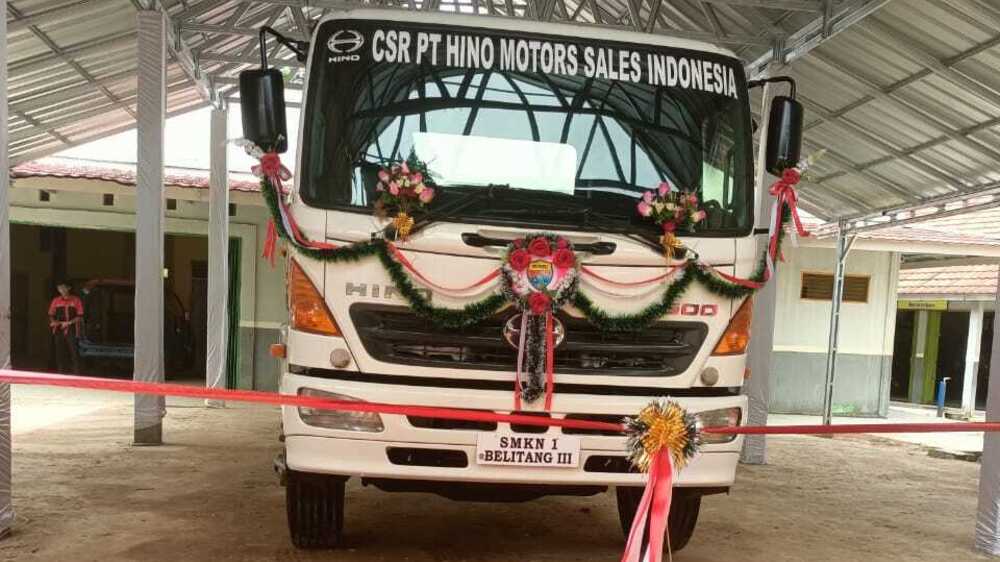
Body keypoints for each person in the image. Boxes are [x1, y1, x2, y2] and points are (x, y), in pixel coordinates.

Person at [48, 282, 83, 374]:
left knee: (74, 351)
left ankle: (77, 373)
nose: (61, 290)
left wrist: (69, 323)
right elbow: (51, 314)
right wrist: (53, 322)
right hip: (58, 328)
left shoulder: (76, 300)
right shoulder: (55, 300)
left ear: (69, 288)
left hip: (72, 329)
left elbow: (80, 316)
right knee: (59, 352)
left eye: (63, 288)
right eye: (59, 288)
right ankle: (61, 373)